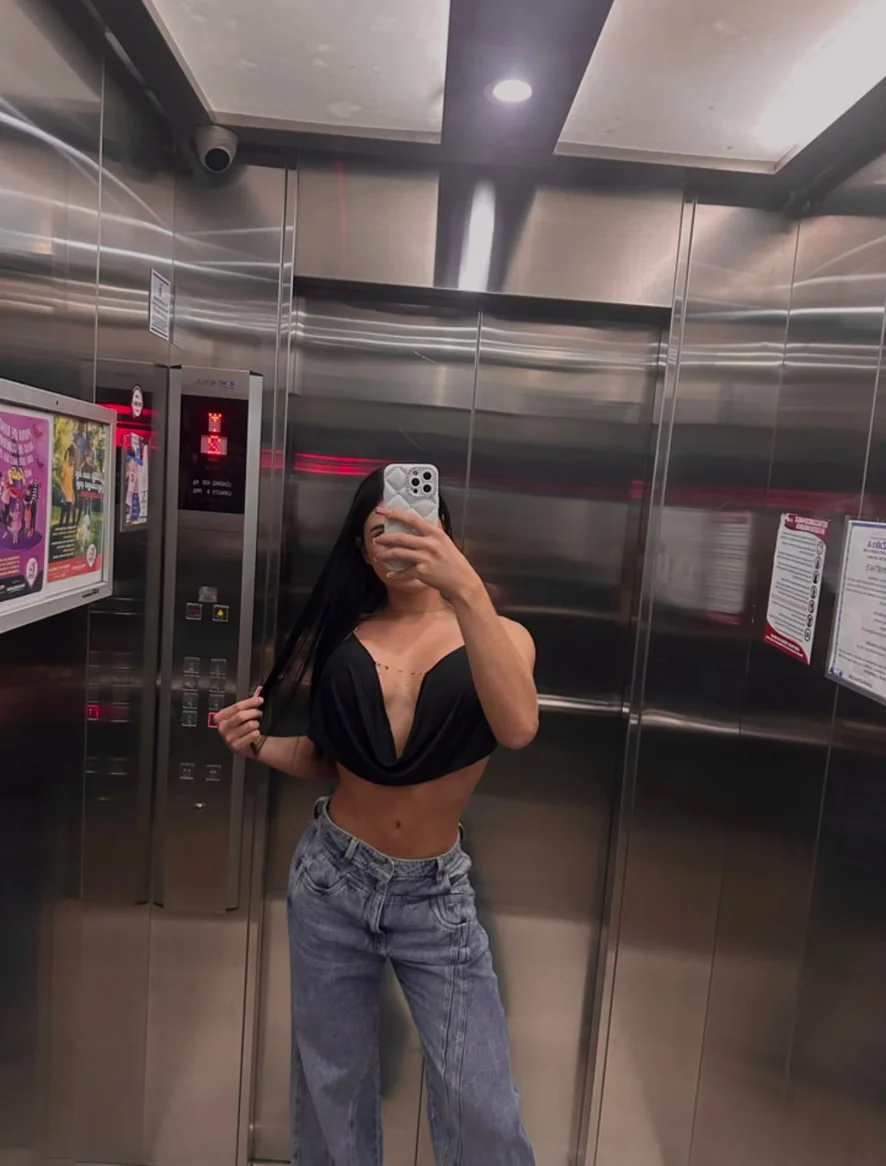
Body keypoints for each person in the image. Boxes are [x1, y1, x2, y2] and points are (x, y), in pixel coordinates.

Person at [216, 468, 538, 1166]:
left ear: (444, 532)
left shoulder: (501, 635)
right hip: (331, 879)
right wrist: (257, 745)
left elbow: (517, 726)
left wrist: (465, 586)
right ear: (364, 552)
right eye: (382, 530)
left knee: (480, 1100)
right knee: (333, 1084)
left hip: (435, 897)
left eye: (417, 523)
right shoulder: (346, 639)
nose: (400, 540)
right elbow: (331, 761)